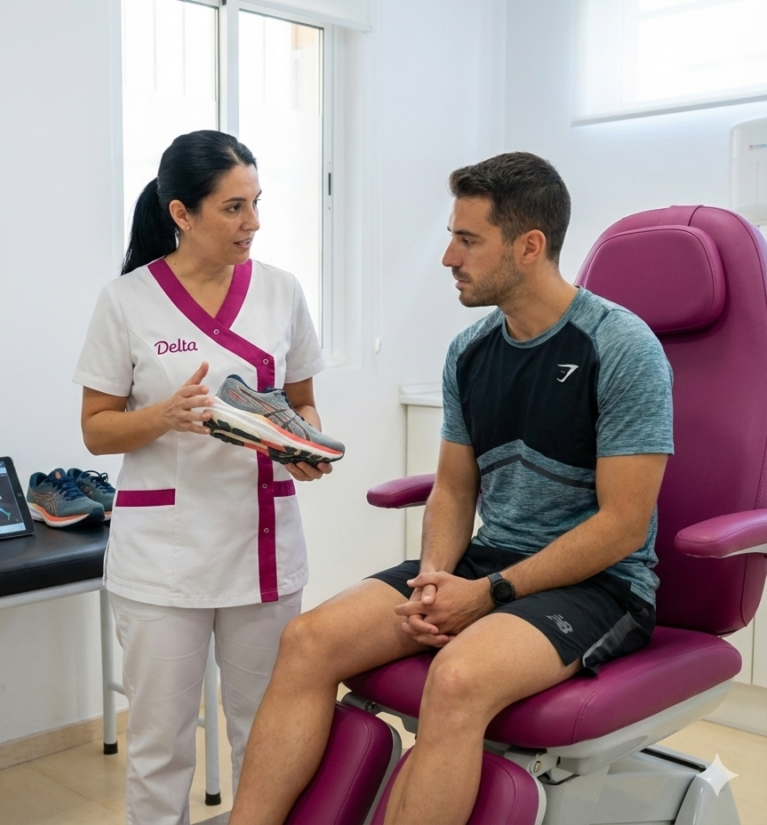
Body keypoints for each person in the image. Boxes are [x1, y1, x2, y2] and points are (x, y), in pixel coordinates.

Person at [228, 152, 674, 825]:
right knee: (308, 641)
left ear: (528, 247)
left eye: (467, 240)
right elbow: (455, 489)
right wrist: (434, 579)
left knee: (457, 678)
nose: (447, 257)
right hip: (485, 564)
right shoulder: (469, 352)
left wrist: (488, 595)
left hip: (602, 584)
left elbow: (622, 524)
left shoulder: (621, 347)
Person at [74, 130, 334, 825]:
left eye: (255, 204)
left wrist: (302, 440)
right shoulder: (126, 301)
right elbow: (96, 427)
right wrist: (163, 415)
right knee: (161, 747)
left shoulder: (281, 292)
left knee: (268, 733)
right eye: (233, 208)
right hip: (165, 555)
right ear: (182, 213)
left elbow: (303, 398)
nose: (253, 223)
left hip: (265, 546)